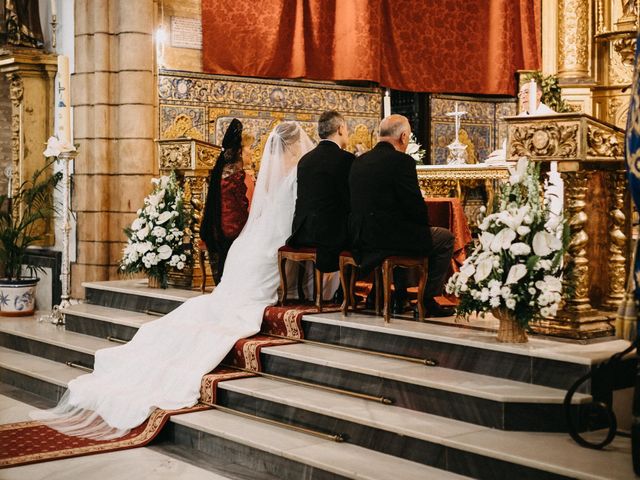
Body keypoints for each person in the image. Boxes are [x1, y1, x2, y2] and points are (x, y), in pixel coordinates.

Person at [32, 122, 315, 439]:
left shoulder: (270, 173)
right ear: (293, 147)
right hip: (268, 244)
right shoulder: (294, 172)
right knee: (239, 308)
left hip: (248, 247)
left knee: (220, 303)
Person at [349, 114, 455, 317]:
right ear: (404, 136)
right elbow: (413, 204)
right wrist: (424, 225)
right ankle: (427, 299)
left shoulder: (359, 161)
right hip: (388, 237)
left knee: (403, 230)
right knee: (444, 238)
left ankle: (399, 295)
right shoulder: (402, 161)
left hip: (360, 236)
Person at [288, 110, 354, 273]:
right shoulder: (347, 160)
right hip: (332, 234)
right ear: (340, 129)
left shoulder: (305, 160)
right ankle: (348, 288)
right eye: (346, 129)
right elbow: (350, 200)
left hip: (303, 231)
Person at [200, 119, 250, 284]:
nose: (250, 153)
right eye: (247, 149)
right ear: (240, 151)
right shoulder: (235, 172)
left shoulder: (222, 166)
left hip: (217, 222)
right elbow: (240, 202)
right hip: (230, 225)